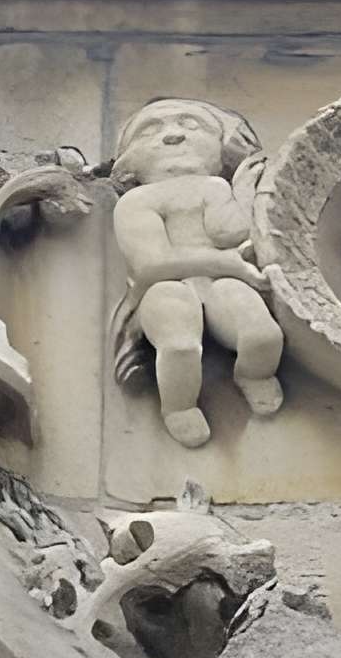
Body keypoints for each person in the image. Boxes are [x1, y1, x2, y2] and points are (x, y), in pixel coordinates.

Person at [108, 96, 279, 447]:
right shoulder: (138, 200)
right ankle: (178, 406)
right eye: (151, 130)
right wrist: (227, 263)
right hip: (164, 286)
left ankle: (252, 374)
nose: (172, 136)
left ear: (223, 148)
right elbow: (153, 266)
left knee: (262, 334)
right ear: (129, 162)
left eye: (190, 124)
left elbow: (228, 231)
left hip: (221, 280)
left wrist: (245, 193)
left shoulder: (215, 187)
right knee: (180, 342)